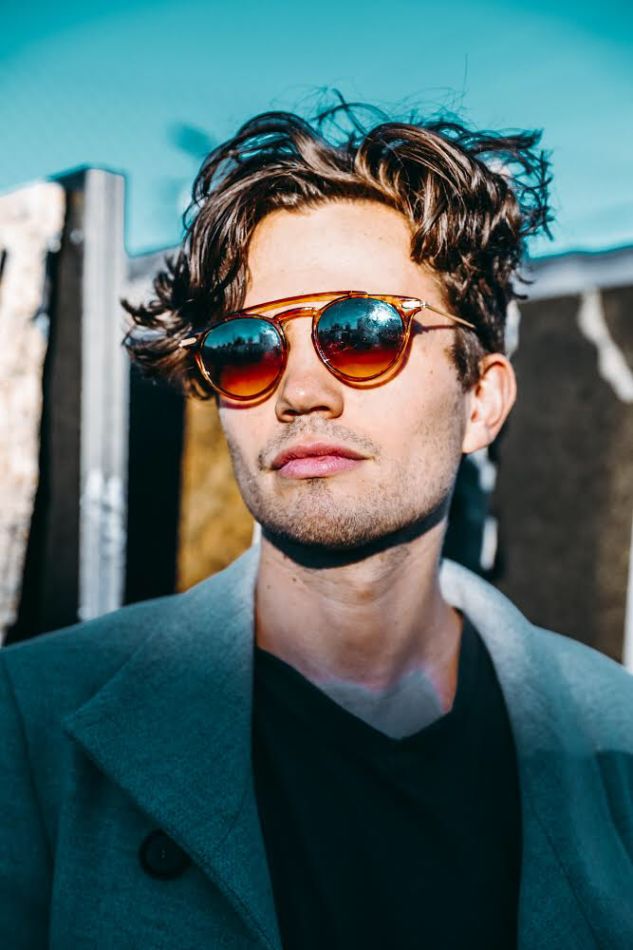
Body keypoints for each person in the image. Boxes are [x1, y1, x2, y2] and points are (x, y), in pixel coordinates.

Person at [1, 104, 632, 950]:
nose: (300, 391)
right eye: (247, 348)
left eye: (362, 332)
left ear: (480, 400)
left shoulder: (615, 739)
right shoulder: (32, 722)